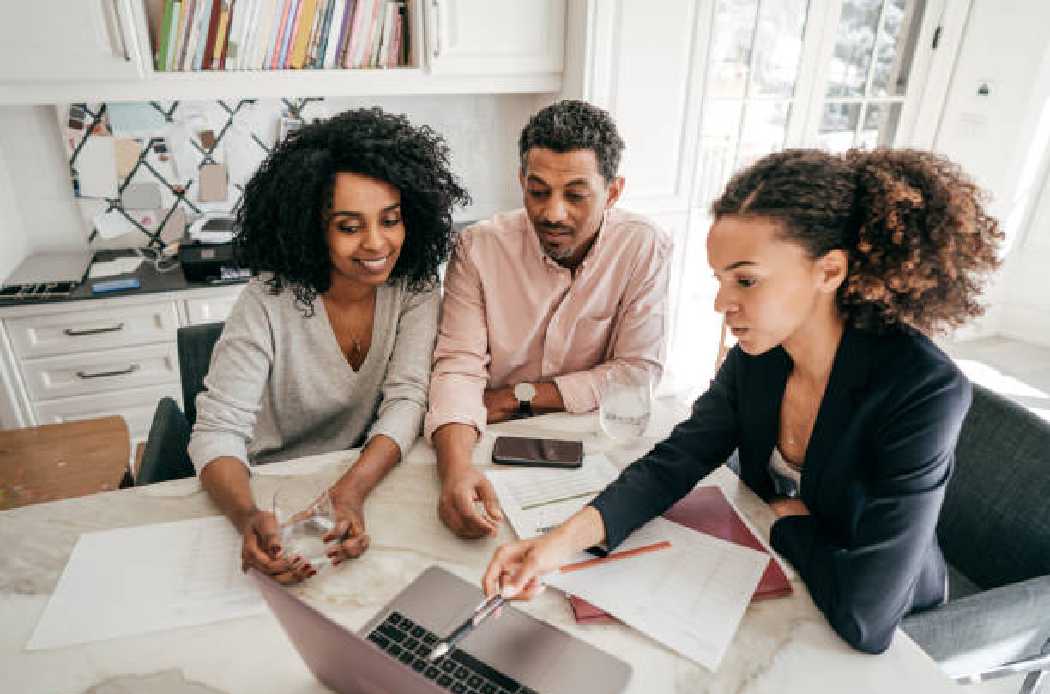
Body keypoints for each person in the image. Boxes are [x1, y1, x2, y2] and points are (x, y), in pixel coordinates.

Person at [482, 148, 1004, 654]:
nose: (720, 303)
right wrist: (557, 544)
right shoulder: (761, 355)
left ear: (829, 272)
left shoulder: (920, 389)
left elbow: (867, 617)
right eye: (720, 279)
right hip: (783, 582)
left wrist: (787, 525)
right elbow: (675, 461)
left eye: (746, 280)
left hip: (883, 619)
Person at [188, 107, 469, 584]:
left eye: (390, 220)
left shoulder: (416, 285)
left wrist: (352, 490)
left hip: (364, 475)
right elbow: (216, 432)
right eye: (349, 226)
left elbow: (408, 398)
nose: (377, 244)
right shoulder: (267, 299)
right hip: (268, 484)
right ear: (312, 227)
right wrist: (245, 516)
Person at [425, 99, 673, 539]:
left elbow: (637, 373)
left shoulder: (642, 247)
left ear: (612, 193)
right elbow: (457, 368)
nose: (553, 213)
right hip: (485, 439)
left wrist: (517, 396)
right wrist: (456, 472)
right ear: (521, 181)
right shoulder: (478, 248)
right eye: (538, 191)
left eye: (575, 195)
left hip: (594, 445)